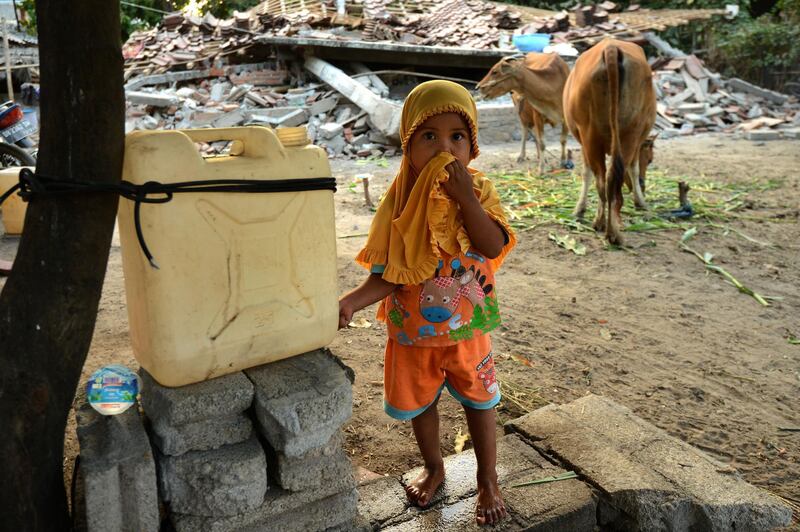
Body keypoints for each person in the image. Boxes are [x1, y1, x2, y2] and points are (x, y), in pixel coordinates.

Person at [338, 80, 516, 526]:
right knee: (422, 404)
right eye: (429, 137)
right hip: (412, 332)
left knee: (480, 401)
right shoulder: (398, 201)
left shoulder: (480, 190)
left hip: (467, 330)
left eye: (457, 136)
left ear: (471, 145)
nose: (445, 148)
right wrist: (352, 301)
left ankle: (487, 477)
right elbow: (389, 274)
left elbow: (491, 245)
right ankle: (435, 467)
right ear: (407, 145)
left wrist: (465, 198)